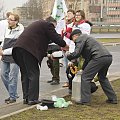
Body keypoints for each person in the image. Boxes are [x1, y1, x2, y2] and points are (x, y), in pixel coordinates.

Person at [12, 16, 69, 105]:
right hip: (28, 49)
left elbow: (42, 42)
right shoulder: (47, 25)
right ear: (52, 23)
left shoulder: (38, 25)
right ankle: (33, 99)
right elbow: (55, 37)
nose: (53, 29)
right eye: (54, 27)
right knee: (33, 73)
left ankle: (26, 98)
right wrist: (64, 45)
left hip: (18, 49)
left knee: (26, 74)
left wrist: (48, 55)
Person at [66, 29, 117, 105]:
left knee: (85, 77)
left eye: (72, 39)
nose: (73, 42)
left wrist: (68, 55)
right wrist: (83, 69)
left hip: (98, 57)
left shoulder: (80, 38)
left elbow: (76, 53)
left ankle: (85, 100)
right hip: (107, 57)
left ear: (75, 36)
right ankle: (113, 99)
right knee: (102, 77)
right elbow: (87, 59)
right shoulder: (88, 39)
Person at [0, 13, 24, 104]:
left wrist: (3, 52)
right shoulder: (7, 28)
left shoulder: (20, 31)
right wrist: (1, 48)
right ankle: (13, 93)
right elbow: (4, 41)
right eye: (8, 19)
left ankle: (12, 97)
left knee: (12, 77)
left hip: (15, 56)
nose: (8, 21)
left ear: (16, 21)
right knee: (3, 74)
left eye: (11, 20)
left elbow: (16, 47)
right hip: (5, 55)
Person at [61, 9, 75, 87]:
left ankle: (71, 81)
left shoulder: (73, 24)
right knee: (65, 65)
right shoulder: (65, 24)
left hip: (70, 48)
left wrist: (66, 32)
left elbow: (71, 36)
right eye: (67, 13)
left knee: (71, 65)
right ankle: (68, 80)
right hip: (64, 47)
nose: (68, 15)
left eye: (70, 13)